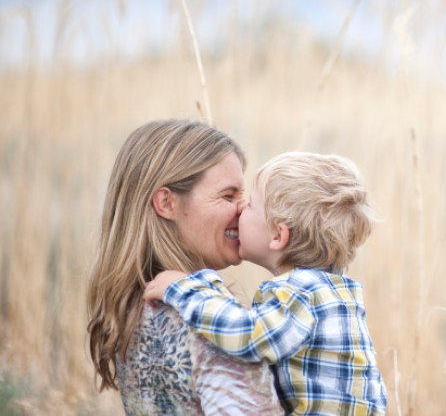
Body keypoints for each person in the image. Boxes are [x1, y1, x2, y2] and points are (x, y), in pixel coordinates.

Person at [144, 152, 388, 416]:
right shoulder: (333, 290)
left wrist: (185, 288)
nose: (239, 209)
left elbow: (249, 336)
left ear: (278, 235)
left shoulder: (303, 294)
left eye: (249, 205)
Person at [86, 119, 284, 416]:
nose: (242, 209)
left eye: (243, 197)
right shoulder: (212, 323)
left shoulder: (132, 309)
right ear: (166, 203)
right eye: (228, 196)